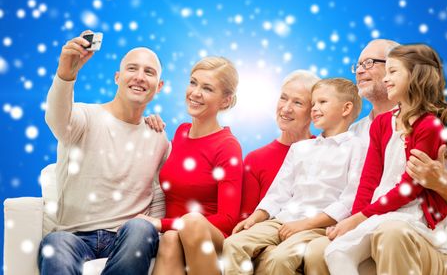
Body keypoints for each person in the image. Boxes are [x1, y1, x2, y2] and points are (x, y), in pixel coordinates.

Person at [38, 31, 170, 275]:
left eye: (149, 72)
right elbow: (56, 118)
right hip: (73, 237)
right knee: (55, 245)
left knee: (141, 229)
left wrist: (156, 230)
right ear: (117, 77)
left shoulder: (158, 137)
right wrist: (66, 74)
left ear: (159, 86)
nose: (139, 77)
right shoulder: (85, 117)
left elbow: (159, 194)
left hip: (128, 237)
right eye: (132, 69)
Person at [324, 44, 447, 275]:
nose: (386, 79)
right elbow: (369, 180)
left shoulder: (429, 126)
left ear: (415, 76)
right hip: (377, 211)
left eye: (393, 72)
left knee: (389, 236)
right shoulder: (382, 124)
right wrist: (354, 218)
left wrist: (360, 218)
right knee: (336, 251)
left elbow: (410, 188)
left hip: (409, 213)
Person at [222, 78, 365, 275]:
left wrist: (304, 225)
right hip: (283, 220)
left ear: (346, 108)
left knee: (280, 259)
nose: (314, 108)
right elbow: (278, 192)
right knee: (233, 245)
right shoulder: (300, 148)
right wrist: (256, 217)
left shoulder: (358, 147)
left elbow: (349, 200)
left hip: (319, 226)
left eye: (322, 102)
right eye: (313, 104)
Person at [138, 56, 243, 275]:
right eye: (193, 82)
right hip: (173, 235)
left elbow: (227, 220)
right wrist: (145, 124)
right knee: (171, 239)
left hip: (208, 237)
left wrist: (161, 224)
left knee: (191, 223)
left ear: (225, 101)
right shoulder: (181, 132)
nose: (195, 93)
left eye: (207, 88)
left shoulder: (227, 146)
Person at [238, 70, 320, 221]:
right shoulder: (255, 160)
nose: (286, 108)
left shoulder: (324, 152)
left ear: (313, 111)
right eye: (283, 98)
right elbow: (246, 218)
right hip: (263, 238)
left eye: (297, 102)